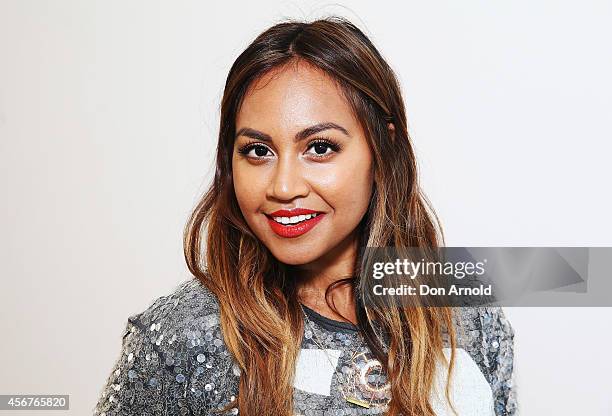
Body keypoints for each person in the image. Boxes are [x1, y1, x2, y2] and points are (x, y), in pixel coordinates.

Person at [93, 16, 516, 416]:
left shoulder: (465, 310)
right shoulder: (185, 335)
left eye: (319, 148)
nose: (283, 186)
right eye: (258, 151)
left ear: (382, 150)